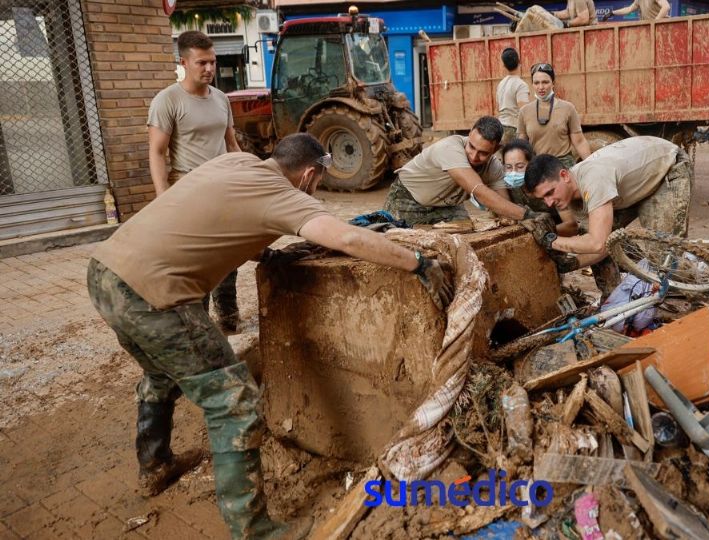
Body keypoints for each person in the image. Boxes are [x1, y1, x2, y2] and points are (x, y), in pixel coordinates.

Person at [87, 134, 452, 540]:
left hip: (106, 273)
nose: (315, 190)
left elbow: (219, 217)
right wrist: (417, 263)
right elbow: (347, 238)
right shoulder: (285, 194)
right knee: (234, 403)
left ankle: (155, 466)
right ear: (309, 174)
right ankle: (255, 532)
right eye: (317, 183)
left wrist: (266, 253)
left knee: (162, 374)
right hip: (155, 297)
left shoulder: (237, 164)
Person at [148, 31, 242, 332]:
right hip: (189, 191)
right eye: (202, 62)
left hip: (224, 189)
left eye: (213, 62)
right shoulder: (168, 100)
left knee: (228, 255)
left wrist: (247, 174)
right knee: (197, 262)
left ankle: (228, 317)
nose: (209, 69)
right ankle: (199, 326)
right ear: (184, 62)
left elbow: (232, 143)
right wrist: (163, 196)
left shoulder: (221, 98)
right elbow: (157, 152)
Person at [523, 136, 693, 295]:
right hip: (632, 184)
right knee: (590, 237)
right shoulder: (573, 198)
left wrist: (550, 241)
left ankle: (702, 291)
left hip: (667, 168)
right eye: (543, 198)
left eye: (550, 192)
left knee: (664, 258)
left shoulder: (593, 180)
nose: (549, 203)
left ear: (564, 176)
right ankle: (613, 298)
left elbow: (597, 243)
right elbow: (600, 246)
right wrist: (573, 263)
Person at [383, 116, 544, 225]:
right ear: (469, 136)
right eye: (471, 147)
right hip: (407, 199)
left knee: (466, 240)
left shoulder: (493, 167)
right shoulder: (450, 148)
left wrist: (520, 218)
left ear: (496, 149)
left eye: (483, 153)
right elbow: (478, 191)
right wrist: (527, 215)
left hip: (447, 205)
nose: (474, 156)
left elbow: (503, 205)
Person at [517, 63, 592, 170]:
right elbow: (521, 146)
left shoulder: (568, 108)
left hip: (563, 167)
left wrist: (591, 165)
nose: (541, 87)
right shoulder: (524, 112)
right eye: (536, 83)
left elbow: (579, 142)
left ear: (553, 83)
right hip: (538, 168)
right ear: (532, 84)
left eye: (545, 82)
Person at [502, 139, 578, 236]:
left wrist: (541, 233)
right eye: (508, 167)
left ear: (532, 163)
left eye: (520, 167)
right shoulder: (509, 187)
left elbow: (571, 226)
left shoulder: (548, 185)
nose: (513, 172)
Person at [496, 48, 530, 145]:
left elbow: (498, 108)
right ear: (519, 62)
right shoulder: (521, 85)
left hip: (501, 127)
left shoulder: (501, 84)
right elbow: (524, 111)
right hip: (514, 128)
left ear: (503, 65)